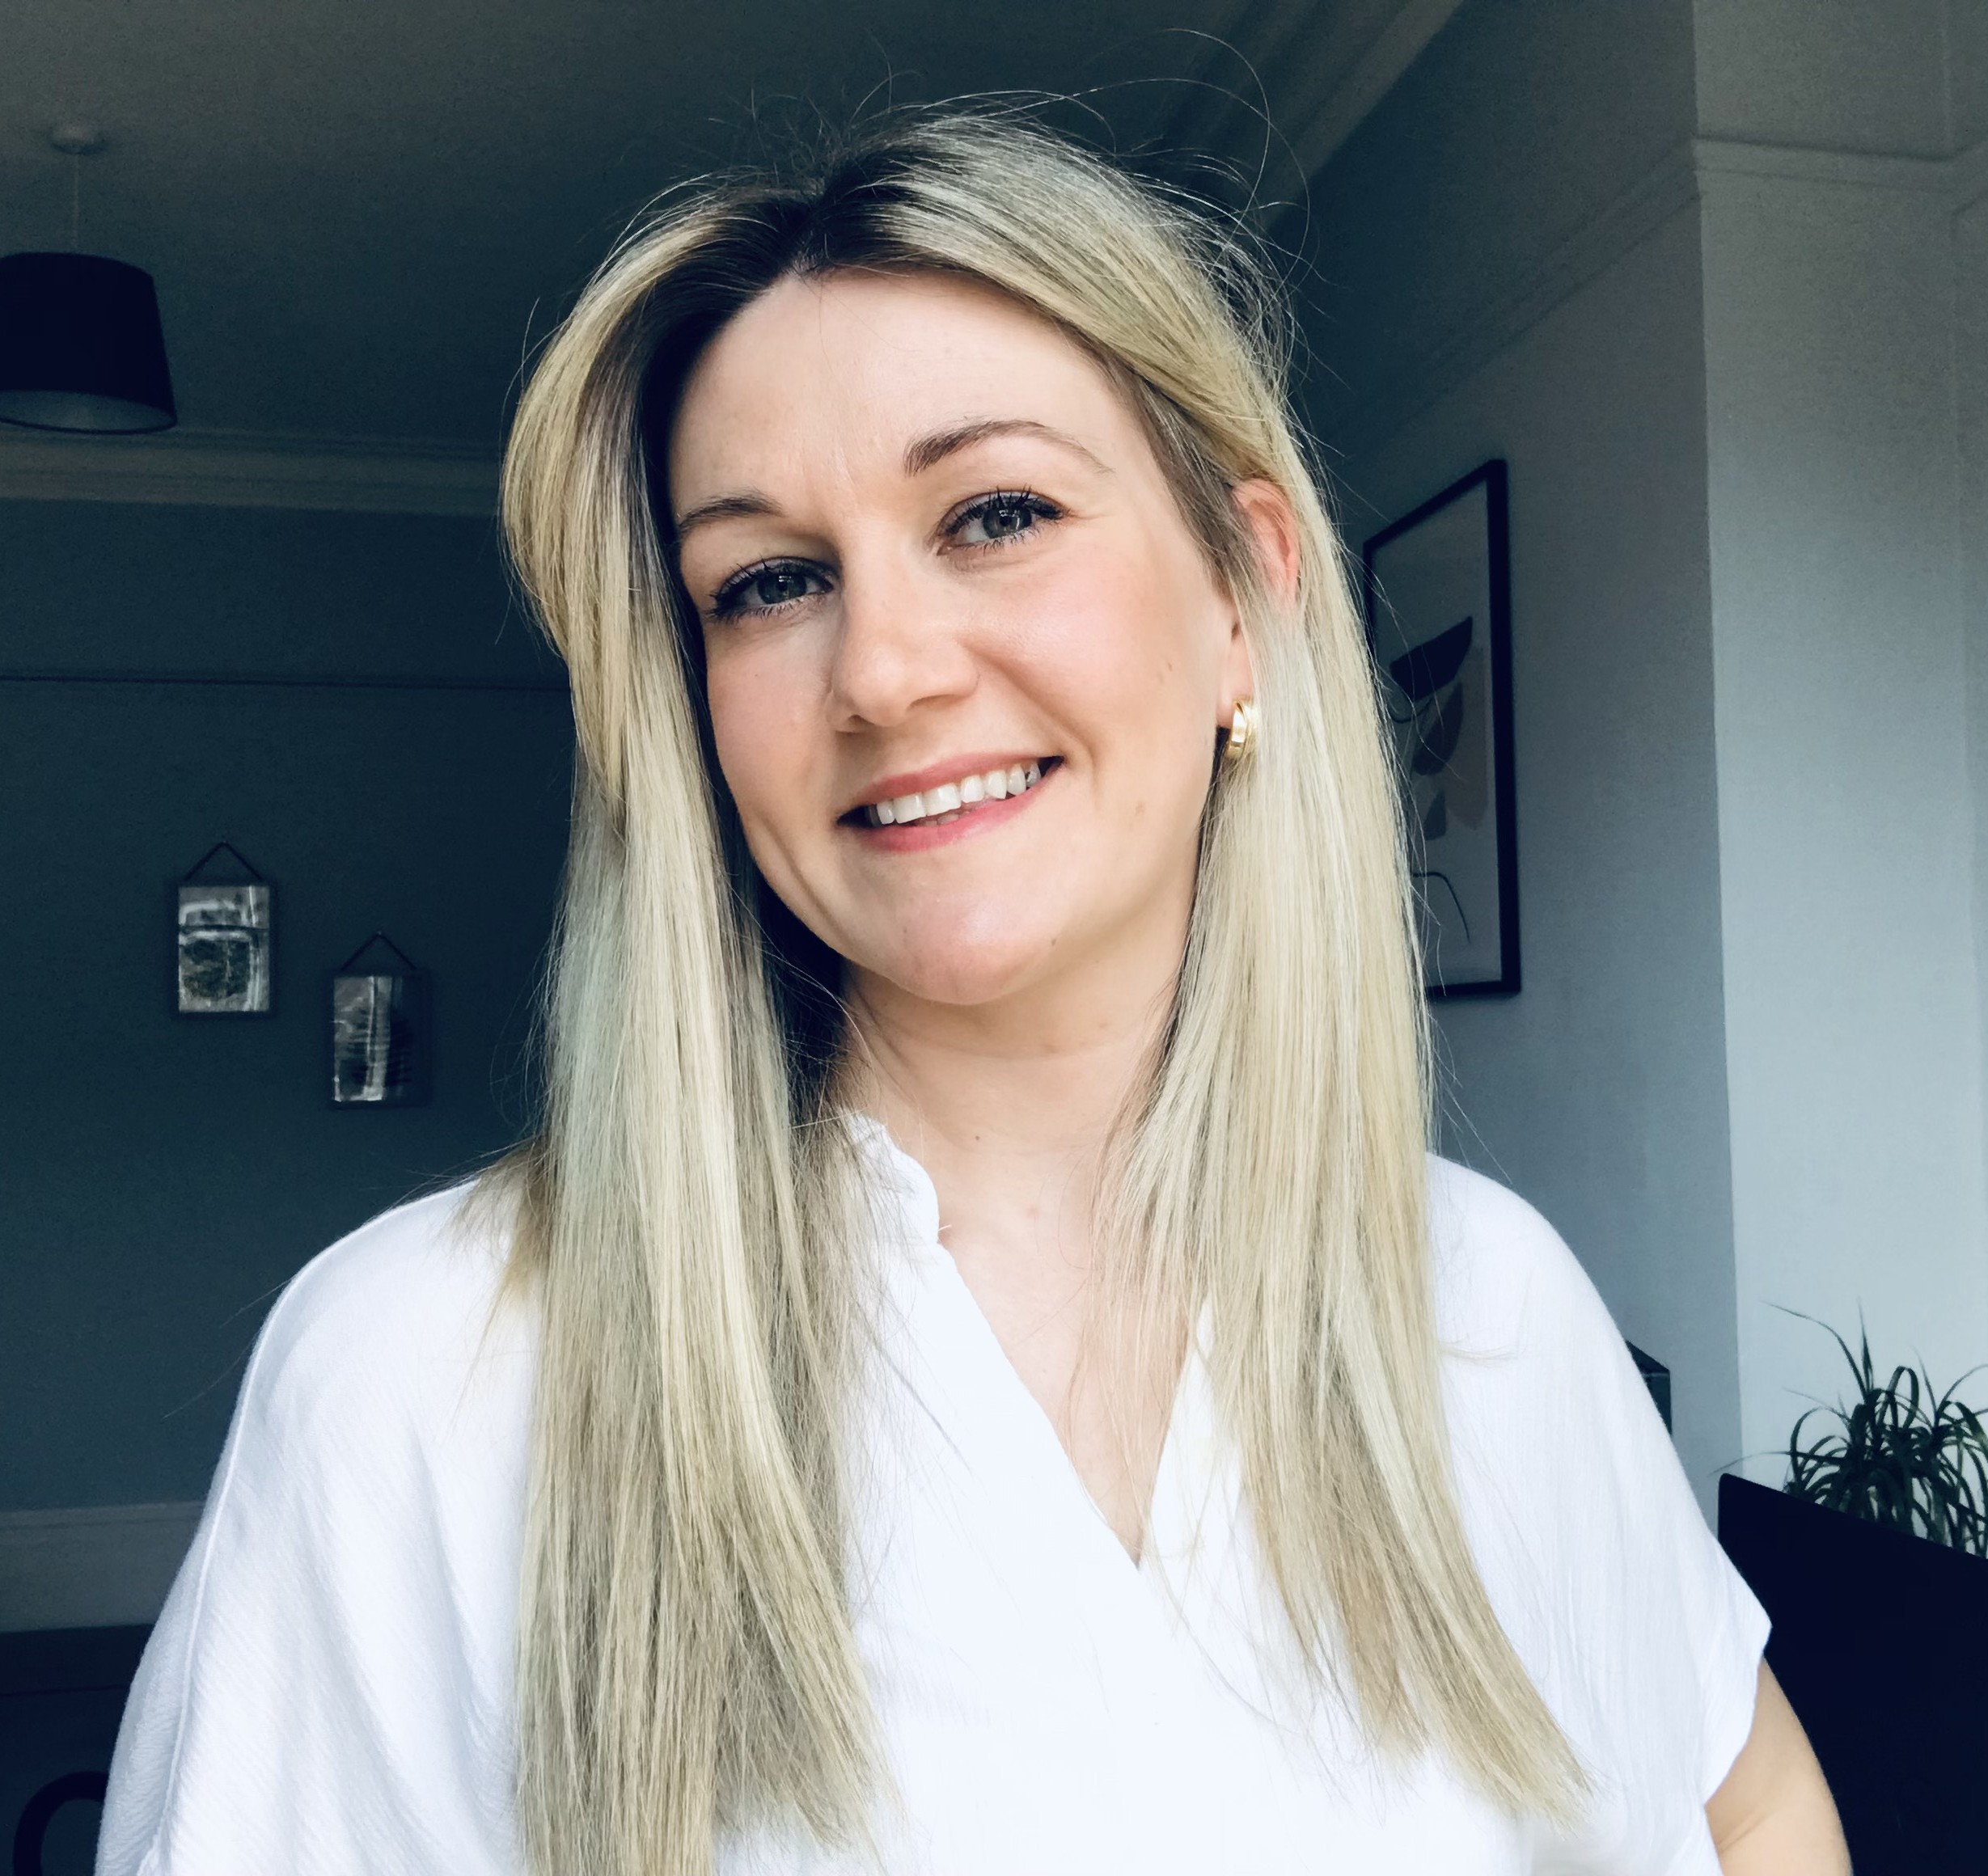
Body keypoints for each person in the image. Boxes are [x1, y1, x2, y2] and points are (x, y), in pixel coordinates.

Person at [97, 109, 1848, 1876]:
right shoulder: (426, 1372)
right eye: (767, 581)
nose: (880, 666)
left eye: (993, 511)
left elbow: (1748, 1796)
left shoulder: (1487, 1302)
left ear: (1242, 595)